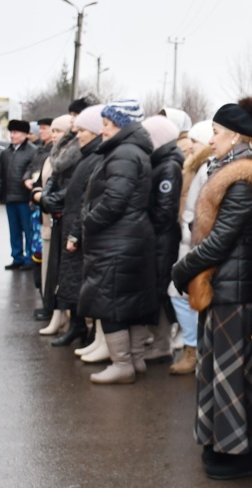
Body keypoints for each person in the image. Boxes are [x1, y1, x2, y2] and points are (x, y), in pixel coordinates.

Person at [171, 97, 252, 480]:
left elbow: (221, 240)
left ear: (235, 136)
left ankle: (241, 453)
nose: (210, 140)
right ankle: (222, 443)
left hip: (238, 290)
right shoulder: (230, 168)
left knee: (234, 375)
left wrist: (182, 269)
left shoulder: (246, 177)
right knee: (219, 371)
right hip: (221, 286)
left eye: (215, 133)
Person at [78, 99, 157, 385]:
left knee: (109, 302)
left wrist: (88, 219)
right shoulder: (134, 151)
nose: (103, 130)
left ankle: (122, 364)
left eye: (107, 124)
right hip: (131, 238)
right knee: (131, 302)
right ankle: (134, 360)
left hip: (116, 240)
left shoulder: (123, 153)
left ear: (122, 124)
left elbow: (115, 200)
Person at [59, 106, 112, 363]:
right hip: (74, 224)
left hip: (80, 229)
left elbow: (87, 199)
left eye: (81, 130)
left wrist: (75, 233)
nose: (77, 135)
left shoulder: (96, 158)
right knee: (74, 283)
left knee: (83, 284)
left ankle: (86, 330)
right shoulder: (87, 155)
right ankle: (80, 328)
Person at [168, 120, 214, 376]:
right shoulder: (195, 165)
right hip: (188, 239)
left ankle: (193, 349)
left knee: (183, 294)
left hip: (194, 243)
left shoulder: (207, 168)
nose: (191, 145)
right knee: (181, 295)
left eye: (196, 140)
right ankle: (192, 347)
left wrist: (190, 232)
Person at [34, 114, 83, 342]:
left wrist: (50, 199)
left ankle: (66, 317)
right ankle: (55, 312)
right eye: (52, 131)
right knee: (53, 270)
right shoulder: (55, 154)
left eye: (58, 131)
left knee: (65, 271)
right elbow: (49, 179)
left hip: (66, 215)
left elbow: (75, 187)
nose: (54, 135)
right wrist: (45, 196)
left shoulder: (78, 154)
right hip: (52, 216)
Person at [141, 115, 184, 364]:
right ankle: (158, 340)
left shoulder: (168, 166)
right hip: (158, 238)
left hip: (162, 240)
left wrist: (147, 228)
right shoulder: (160, 162)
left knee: (160, 289)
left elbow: (164, 211)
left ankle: (162, 344)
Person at [0, 119, 37, 270]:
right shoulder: (6, 152)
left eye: (16, 132)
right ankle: (17, 257)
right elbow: (0, 176)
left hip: (25, 198)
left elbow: (33, 172)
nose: (12, 135)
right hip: (10, 197)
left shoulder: (33, 151)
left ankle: (30, 258)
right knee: (14, 230)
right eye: (11, 132)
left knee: (28, 229)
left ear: (25, 134)